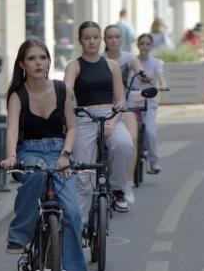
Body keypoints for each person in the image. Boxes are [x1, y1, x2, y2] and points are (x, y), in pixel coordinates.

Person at [0, 37, 86, 271]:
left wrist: (66, 155)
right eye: (32, 58)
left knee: (71, 211)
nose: (39, 63)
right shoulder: (18, 95)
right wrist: (11, 156)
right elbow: (12, 129)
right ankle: (20, 234)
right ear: (22, 64)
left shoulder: (62, 90)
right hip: (30, 151)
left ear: (49, 60)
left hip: (60, 151)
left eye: (43, 57)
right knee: (35, 176)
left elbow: (71, 127)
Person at [64, 21, 135, 218]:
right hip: (84, 117)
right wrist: (65, 98)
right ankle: (81, 222)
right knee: (82, 169)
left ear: (100, 39)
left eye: (95, 37)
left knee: (125, 145)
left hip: (110, 116)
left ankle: (118, 190)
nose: (92, 42)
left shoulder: (111, 65)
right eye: (87, 38)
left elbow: (120, 100)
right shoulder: (74, 65)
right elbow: (66, 91)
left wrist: (113, 122)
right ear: (80, 41)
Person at [103, 24, 149, 205]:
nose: (114, 40)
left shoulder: (129, 58)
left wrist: (144, 76)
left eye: (117, 37)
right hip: (106, 106)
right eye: (110, 37)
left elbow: (140, 71)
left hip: (126, 105)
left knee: (132, 140)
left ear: (122, 39)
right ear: (105, 40)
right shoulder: (100, 59)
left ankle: (127, 183)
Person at [134, 33, 167, 175]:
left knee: (149, 131)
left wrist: (163, 86)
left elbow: (161, 79)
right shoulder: (132, 61)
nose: (144, 47)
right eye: (142, 43)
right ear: (138, 45)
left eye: (147, 44)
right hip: (133, 100)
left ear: (151, 46)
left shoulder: (156, 63)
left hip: (149, 101)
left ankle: (153, 162)